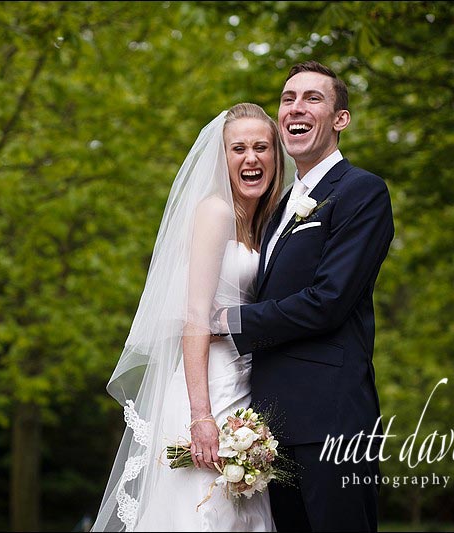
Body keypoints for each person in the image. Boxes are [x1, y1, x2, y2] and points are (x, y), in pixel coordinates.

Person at [216, 60, 395, 531]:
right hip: (270, 427)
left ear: (340, 119)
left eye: (313, 98)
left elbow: (329, 301)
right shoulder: (275, 209)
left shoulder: (362, 192)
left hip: (333, 420)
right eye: (288, 99)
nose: (296, 107)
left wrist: (231, 320)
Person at [91, 103, 285, 532]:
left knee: (241, 512)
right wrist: (201, 416)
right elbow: (195, 318)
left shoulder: (264, 223)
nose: (251, 158)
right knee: (203, 510)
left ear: (276, 155)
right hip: (209, 385)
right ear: (222, 157)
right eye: (238, 149)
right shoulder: (215, 212)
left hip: (245, 384)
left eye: (261, 147)